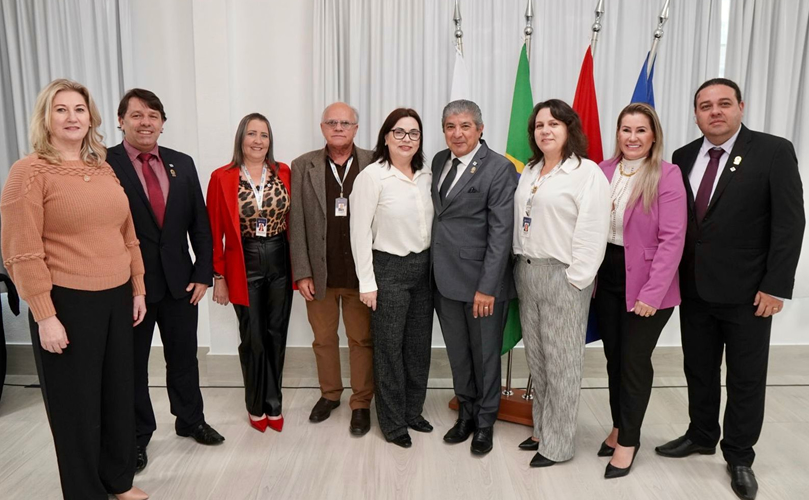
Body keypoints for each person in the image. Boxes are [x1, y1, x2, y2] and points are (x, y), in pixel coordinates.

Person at [655, 78, 805, 500]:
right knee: (699, 369)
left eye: (724, 103)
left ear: (741, 106)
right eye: (705, 106)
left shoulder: (773, 151)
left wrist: (775, 286)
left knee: (745, 378)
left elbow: (790, 223)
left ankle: (739, 455)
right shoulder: (683, 156)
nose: (715, 111)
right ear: (696, 114)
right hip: (695, 288)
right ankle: (701, 434)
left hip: (749, 292)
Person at [0, 78, 149, 500]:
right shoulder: (28, 172)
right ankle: (85, 493)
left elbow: (127, 234)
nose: (71, 117)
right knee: (76, 406)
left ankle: (118, 481)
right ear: (46, 118)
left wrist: (138, 287)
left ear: (91, 118)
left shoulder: (103, 168)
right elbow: (21, 251)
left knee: (117, 395)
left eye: (79, 109)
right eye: (61, 109)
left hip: (116, 296)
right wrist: (45, 316)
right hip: (67, 301)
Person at [107, 88, 223, 473]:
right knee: (133, 366)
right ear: (121, 120)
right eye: (137, 115)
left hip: (180, 283)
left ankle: (190, 420)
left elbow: (199, 225)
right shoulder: (104, 164)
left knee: (184, 357)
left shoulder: (181, 163)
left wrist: (203, 273)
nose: (146, 122)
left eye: (153, 116)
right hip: (129, 287)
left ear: (162, 123)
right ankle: (138, 436)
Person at [512, 99, 609, 468]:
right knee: (538, 360)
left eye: (554, 124)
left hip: (563, 276)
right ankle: (542, 430)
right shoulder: (531, 170)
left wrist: (576, 279)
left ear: (570, 128)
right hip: (527, 272)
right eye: (539, 125)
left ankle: (558, 445)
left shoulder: (586, 173)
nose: (545, 130)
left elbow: (593, 231)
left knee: (563, 364)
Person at [594, 103, 686, 478]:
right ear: (618, 133)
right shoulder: (602, 170)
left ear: (653, 136)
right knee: (614, 359)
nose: (632, 137)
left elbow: (673, 239)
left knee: (633, 362)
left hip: (648, 283)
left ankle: (629, 442)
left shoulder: (667, 174)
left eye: (641, 130)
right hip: (607, 276)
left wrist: (652, 293)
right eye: (626, 130)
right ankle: (619, 426)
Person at [431, 100, 517, 455]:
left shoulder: (498, 168)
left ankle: (484, 423)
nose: (458, 133)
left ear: (480, 129)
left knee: (485, 357)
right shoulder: (439, 161)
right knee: (459, 355)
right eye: (450, 126)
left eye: (465, 126)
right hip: (443, 279)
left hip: (482, 283)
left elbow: (501, 232)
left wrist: (487, 287)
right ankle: (465, 413)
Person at [349, 108, 434, 448]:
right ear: (386, 137)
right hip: (388, 271)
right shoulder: (372, 177)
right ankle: (393, 422)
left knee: (418, 347)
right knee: (389, 349)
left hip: (424, 269)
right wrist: (367, 283)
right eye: (399, 132)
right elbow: (358, 233)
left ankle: (413, 411)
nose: (406, 139)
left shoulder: (426, 174)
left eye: (413, 133)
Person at [289, 103, 375, 435]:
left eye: (345, 123)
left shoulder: (373, 162)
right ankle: (330, 395)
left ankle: (361, 402)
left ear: (356, 128)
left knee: (361, 340)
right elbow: (296, 222)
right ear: (322, 127)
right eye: (332, 122)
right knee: (323, 340)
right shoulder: (303, 165)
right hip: (319, 275)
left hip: (360, 275)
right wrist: (302, 272)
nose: (338, 128)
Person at [207, 113, 293, 433]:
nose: (258, 141)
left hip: (279, 258)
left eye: (264, 135)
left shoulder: (283, 171)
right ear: (241, 138)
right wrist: (218, 277)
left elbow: (293, 221)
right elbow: (214, 232)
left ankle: (274, 403)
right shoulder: (222, 177)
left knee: (276, 334)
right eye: (252, 134)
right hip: (244, 262)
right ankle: (256, 406)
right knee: (253, 337)